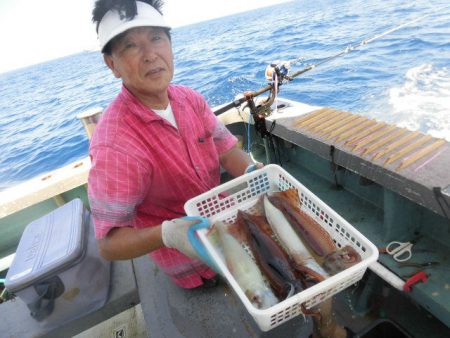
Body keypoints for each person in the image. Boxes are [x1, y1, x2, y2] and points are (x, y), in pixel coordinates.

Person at [89, 0, 259, 289]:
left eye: (156, 38)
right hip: (192, 262)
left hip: (232, 224)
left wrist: (254, 172)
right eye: (131, 46)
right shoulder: (114, 145)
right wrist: (167, 234)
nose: (150, 55)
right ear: (112, 64)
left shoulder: (190, 99)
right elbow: (109, 244)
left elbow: (227, 150)